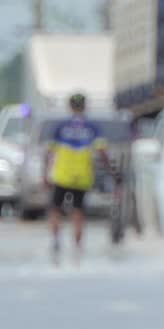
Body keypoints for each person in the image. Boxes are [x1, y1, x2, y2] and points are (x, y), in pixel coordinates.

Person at [44, 93, 114, 259]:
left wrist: (45, 174)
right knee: (78, 212)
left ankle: (56, 240)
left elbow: (48, 153)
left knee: (55, 209)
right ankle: (77, 246)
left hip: (61, 176)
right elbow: (102, 152)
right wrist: (111, 171)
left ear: (70, 107)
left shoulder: (61, 128)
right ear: (85, 106)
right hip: (82, 177)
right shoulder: (91, 128)